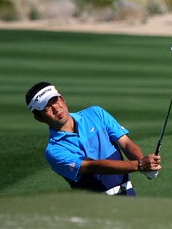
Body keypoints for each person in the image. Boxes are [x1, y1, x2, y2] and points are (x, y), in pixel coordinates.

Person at [25, 81, 161, 196]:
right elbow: (94, 166)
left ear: (62, 99)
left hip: (128, 194)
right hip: (95, 207)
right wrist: (140, 165)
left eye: (55, 100)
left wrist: (145, 166)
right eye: (47, 108)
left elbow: (125, 143)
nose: (56, 108)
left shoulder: (95, 113)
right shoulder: (54, 151)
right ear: (39, 118)